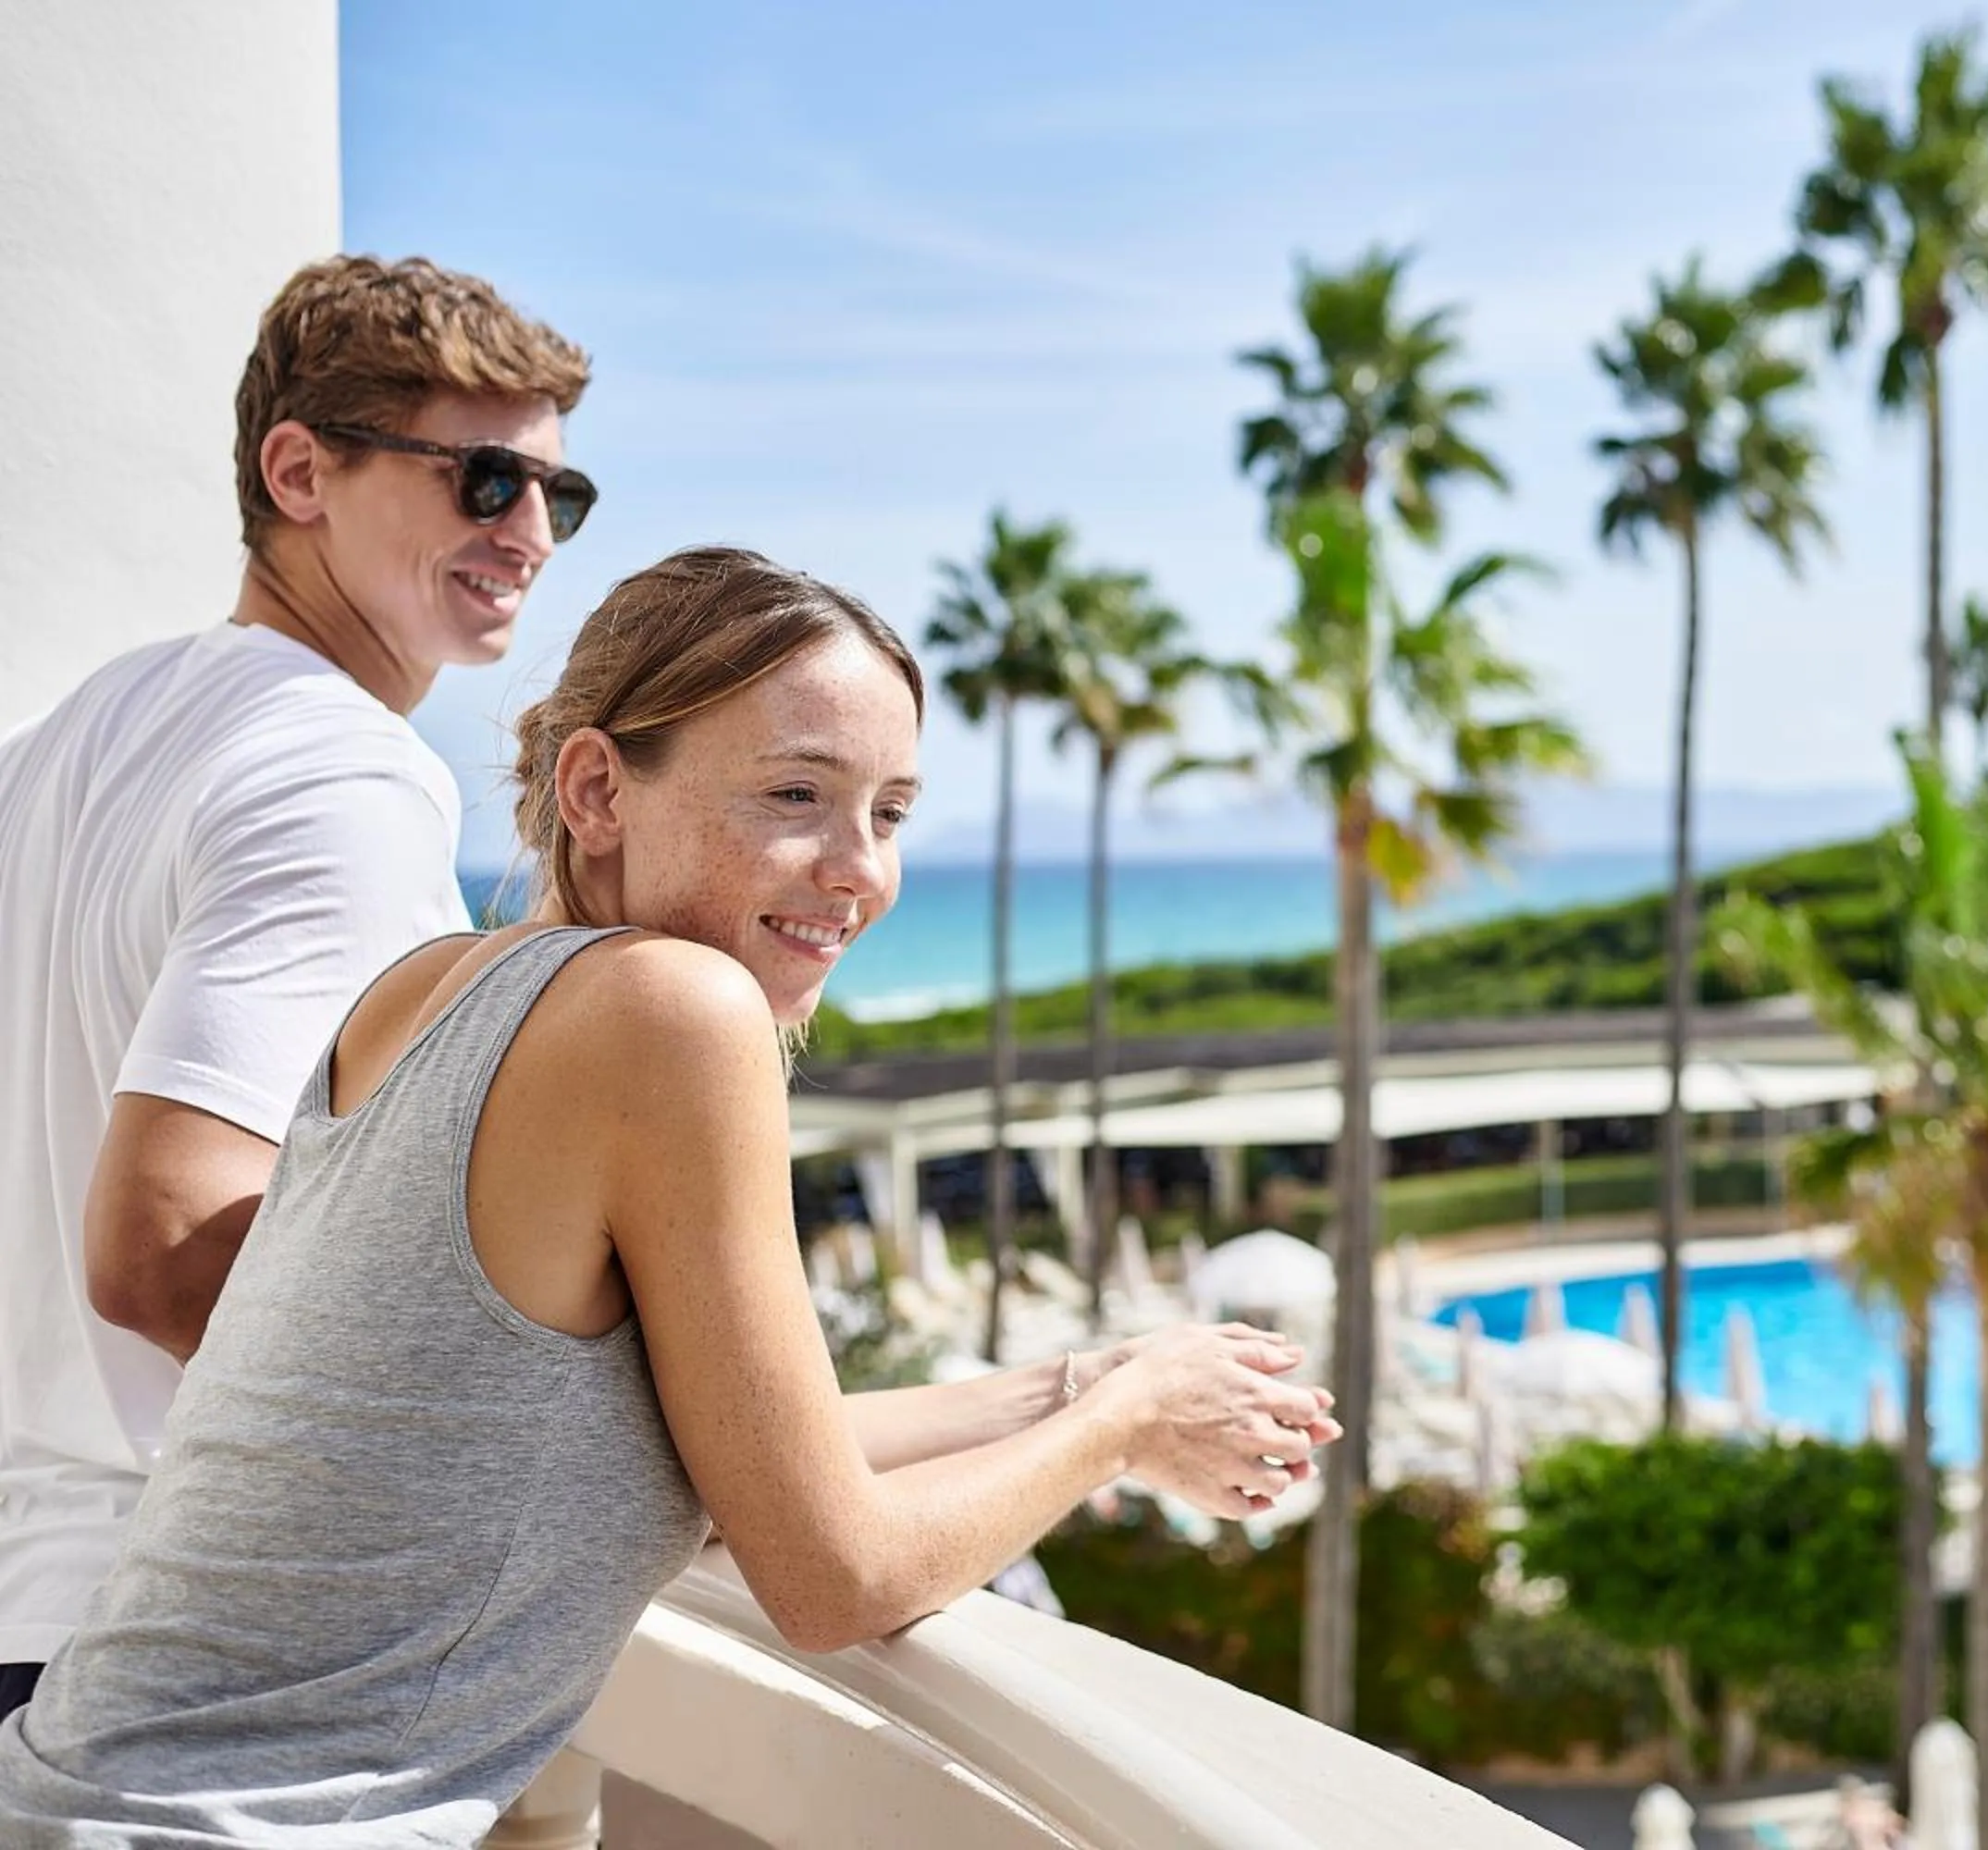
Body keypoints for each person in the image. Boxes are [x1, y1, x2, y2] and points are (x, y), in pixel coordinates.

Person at [0, 547, 1341, 1845]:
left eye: (889, 813)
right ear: (595, 787)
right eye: (794, 796)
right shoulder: (672, 1013)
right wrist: (1121, 1425)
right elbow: (833, 1574)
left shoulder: (425, 990)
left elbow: (714, 1447)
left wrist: (1070, 1383)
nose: (860, 871)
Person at [0, 255, 594, 1722]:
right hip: (150, 1649)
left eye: (558, 497)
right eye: (483, 480)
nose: (529, 533)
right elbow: (164, 1247)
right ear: (300, 470)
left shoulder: (60, 744)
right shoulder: (340, 770)